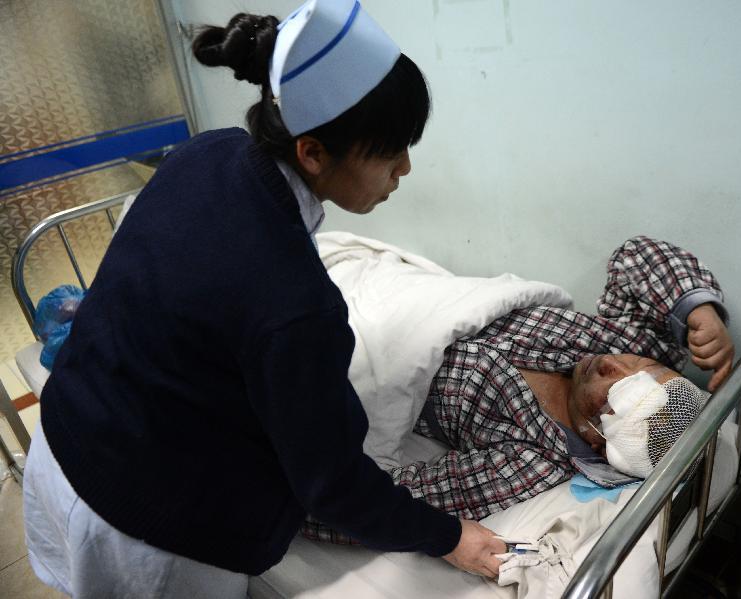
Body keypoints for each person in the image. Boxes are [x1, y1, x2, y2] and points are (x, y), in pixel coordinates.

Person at [23, 2, 504, 597]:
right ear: (312, 153)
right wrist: (447, 536)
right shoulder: (297, 305)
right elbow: (333, 486)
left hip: (66, 430)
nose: (404, 169)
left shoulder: (208, 152)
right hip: (138, 523)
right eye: (389, 153)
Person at [303, 235, 735, 543]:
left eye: (610, 394)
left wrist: (289, 507)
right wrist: (699, 310)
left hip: (377, 348)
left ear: (596, 441)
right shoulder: (625, 344)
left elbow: (401, 497)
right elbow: (633, 258)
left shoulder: (527, 459)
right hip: (429, 299)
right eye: (642, 366)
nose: (610, 363)